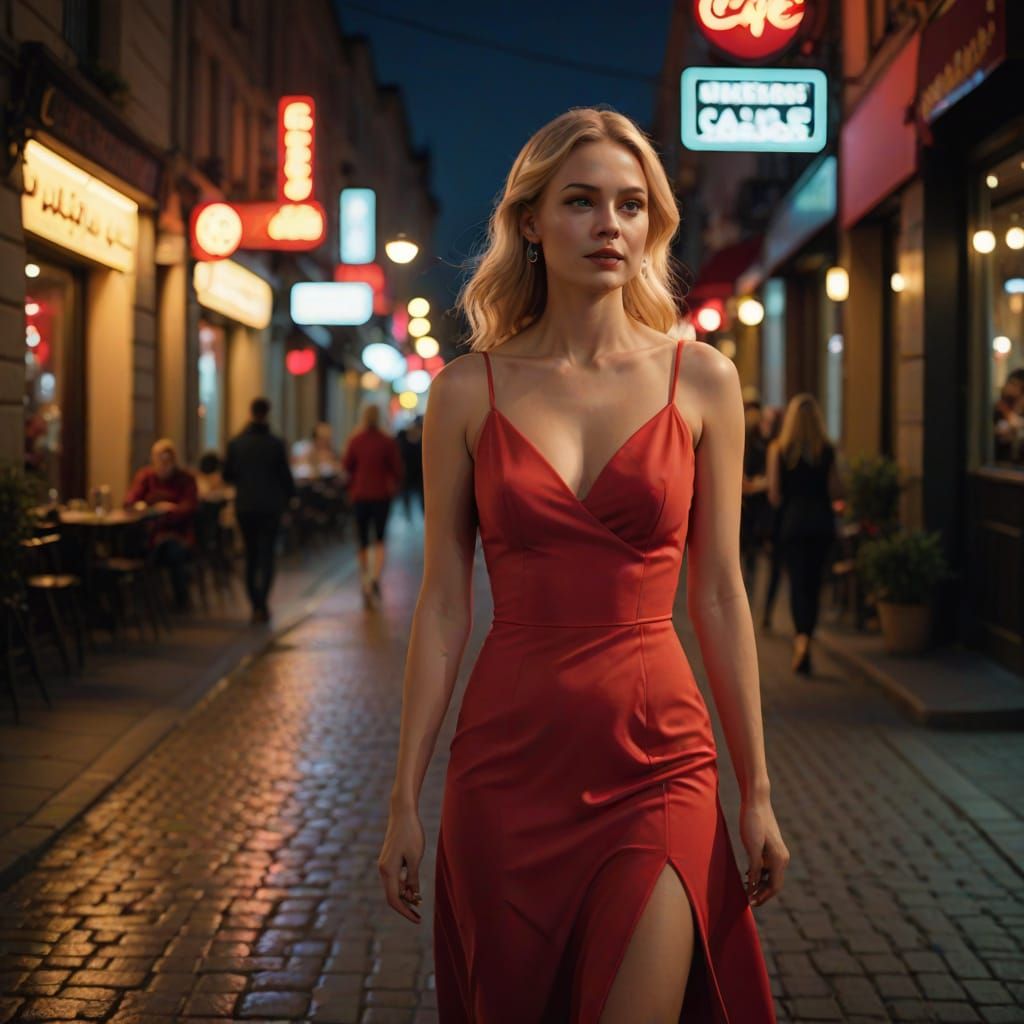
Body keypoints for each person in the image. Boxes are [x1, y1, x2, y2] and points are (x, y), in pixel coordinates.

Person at [377, 107, 786, 1023]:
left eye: (631, 205)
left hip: (659, 759)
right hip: (505, 768)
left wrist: (756, 791)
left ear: (652, 225)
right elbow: (443, 605)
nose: (610, 225)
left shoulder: (703, 379)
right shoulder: (466, 392)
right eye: (581, 201)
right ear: (529, 221)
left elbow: (721, 594)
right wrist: (404, 796)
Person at [766, 394, 845, 674]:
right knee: (815, 584)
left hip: (793, 524)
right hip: (822, 524)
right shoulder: (827, 450)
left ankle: (801, 640)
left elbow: (774, 494)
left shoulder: (779, 450)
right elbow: (836, 490)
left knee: (798, 584)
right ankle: (807, 636)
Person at [223, 397, 295, 624]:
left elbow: (227, 475)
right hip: (270, 507)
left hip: (245, 506)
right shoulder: (275, 444)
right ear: (268, 414)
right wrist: (291, 500)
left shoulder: (236, 443)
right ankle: (262, 602)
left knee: (251, 555)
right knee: (267, 555)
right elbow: (285, 477)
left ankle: (255, 602)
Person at [341, 403, 404, 608]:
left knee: (361, 539)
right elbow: (397, 469)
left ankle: (365, 578)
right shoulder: (387, 441)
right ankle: (376, 576)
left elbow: (346, 466)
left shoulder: (355, 440)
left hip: (360, 495)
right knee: (379, 537)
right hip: (381, 495)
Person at [124, 438, 198, 610]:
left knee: (173, 551)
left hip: (177, 535)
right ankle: (135, 602)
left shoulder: (185, 479)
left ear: (174, 461)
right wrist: (151, 509)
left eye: (167, 460)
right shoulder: (146, 477)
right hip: (149, 534)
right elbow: (129, 502)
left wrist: (166, 513)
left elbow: (188, 508)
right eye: (159, 460)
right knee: (127, 546)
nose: (163, 465)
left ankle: (180, 600)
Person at [395, 415, 425, 521]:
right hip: (407, 473)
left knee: (422, 497)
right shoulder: (402, 436)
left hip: (420, 473)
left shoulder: (424, 439)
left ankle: (423, 516)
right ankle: (408, 514)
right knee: (406, 494)